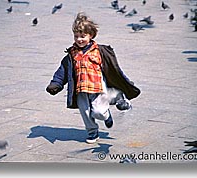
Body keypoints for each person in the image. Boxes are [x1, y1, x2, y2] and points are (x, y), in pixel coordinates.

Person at [46, 12, 140, 144]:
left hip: (97, 87)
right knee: (85, 112)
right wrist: (56, 83)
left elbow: (114, 69)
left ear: (91, 35)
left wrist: (125, 82)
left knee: (98, 112)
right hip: (80, 90)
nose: (79, 39)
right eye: (76, 36)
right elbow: (62, 71)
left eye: (83, 36)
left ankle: (108, 112)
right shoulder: (71, 54)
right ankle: (92, 132)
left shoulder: (100, 51)